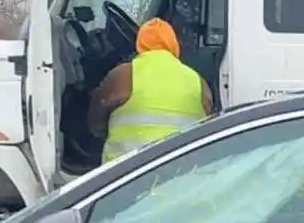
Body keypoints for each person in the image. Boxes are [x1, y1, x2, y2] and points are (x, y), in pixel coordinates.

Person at [89, 17, 214, 165]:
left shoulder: (124, 74)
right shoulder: (198, 81)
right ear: (174, 46)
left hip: (126, 177)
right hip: (181, 176)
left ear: (140, 44)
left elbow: (95, 122)